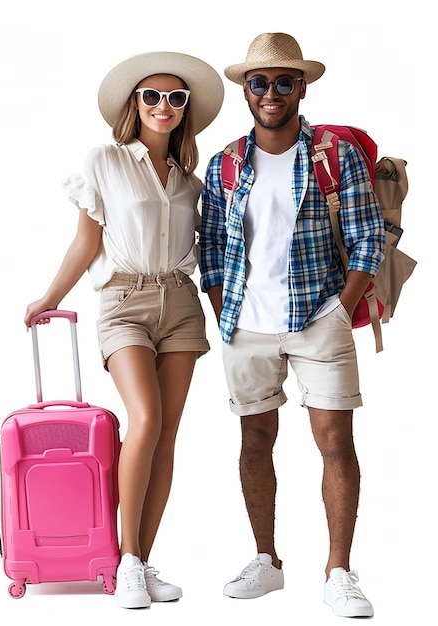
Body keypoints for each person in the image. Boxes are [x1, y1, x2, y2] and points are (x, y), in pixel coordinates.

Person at [24, 50, 224, 609]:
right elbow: (86, 242)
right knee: (146, 419)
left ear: (185, 110)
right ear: (134, 105)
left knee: (166, 436)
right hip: (124, 302)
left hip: (181, 304)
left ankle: (138, 559)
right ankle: (124, 559)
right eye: (152, 96)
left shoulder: (191, 180)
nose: (164, 105)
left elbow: (206, 252)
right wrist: (49, 298)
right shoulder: (103, 161)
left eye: (175, 98)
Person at [199, 32, 384, 618]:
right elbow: (212, 246)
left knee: (336, 442)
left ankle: (338, 572)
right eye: (260, 83)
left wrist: (337, 307)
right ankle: (266, 561)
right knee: (255, 439)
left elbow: (367, 238)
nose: (271, 93)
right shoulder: (225, 161)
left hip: (317, 318)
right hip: (245, 327)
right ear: (245, 92)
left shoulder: (334, 153)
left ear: (302, 87)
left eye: (284, 82)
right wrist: (221, 305)